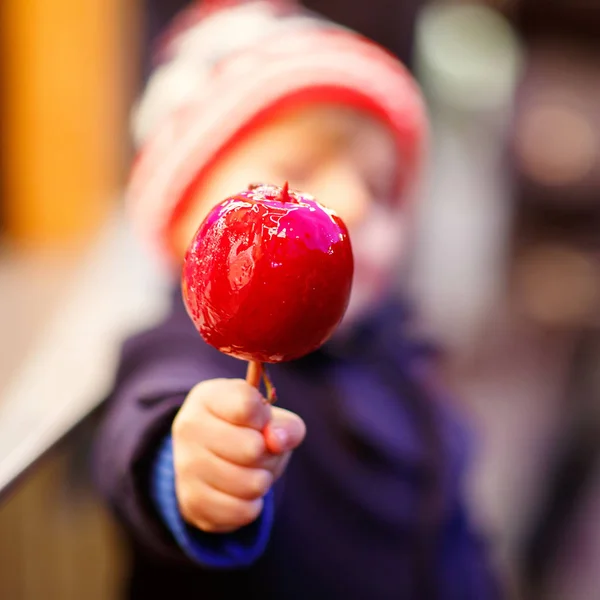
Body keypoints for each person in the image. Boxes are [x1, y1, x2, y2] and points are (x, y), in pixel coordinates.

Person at [93, 1, 500, 598]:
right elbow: (146, 423)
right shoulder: (186, 357)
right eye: (296, 169)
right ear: (189, 226)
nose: (354, 204)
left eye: (379, 186)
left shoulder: (400, 357)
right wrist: (192, 470)